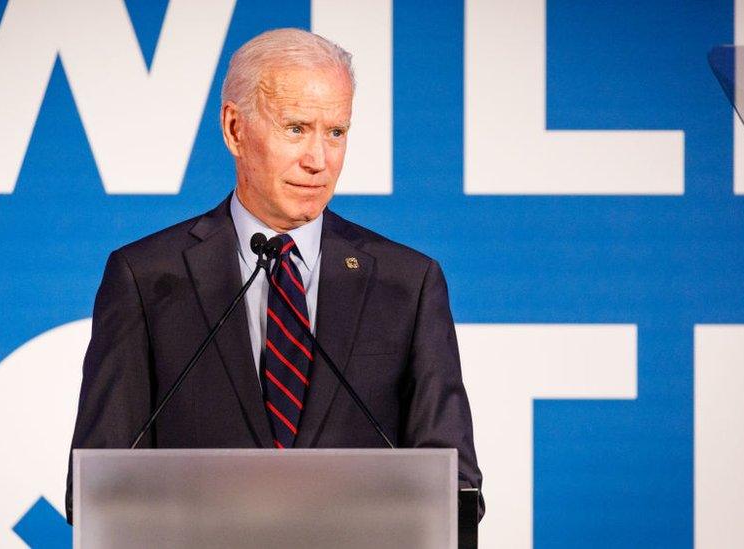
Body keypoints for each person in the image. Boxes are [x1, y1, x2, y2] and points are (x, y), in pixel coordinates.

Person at [66, 28, 483, 523]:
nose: (318, 161)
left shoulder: (407, 284)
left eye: (336, 132)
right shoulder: (148, 279)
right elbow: (98, 485)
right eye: (295, 128)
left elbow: (453, 482)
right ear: (235, 129)